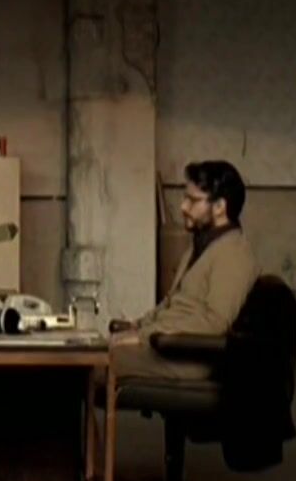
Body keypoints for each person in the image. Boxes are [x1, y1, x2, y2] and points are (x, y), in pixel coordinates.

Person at [110, 160, 260, 380]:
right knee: (85, 352)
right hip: (165, 348)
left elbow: (214, 322)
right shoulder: (201, 245)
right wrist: (138, 325)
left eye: (193, 200)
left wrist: (143, 336)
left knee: (87, 363)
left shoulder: (233, 254)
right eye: (185, 198)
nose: (183, 207)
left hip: (187, 358)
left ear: (220, 207)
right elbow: (172, 302)